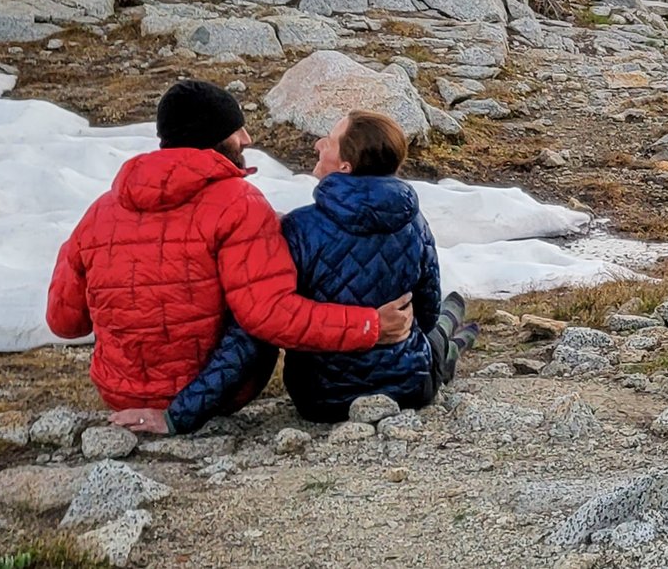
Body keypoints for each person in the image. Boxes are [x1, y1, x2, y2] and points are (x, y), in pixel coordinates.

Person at [46, 81, 413, 433]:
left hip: (119, 394)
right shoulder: (239, 203)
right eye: (237, 129)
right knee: (254, 314)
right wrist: (370, 326)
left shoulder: (100, 211)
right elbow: (269, 318)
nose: (247, 139)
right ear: (211, 136)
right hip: (217, 396)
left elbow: (65, 323)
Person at [166, 109, 476, 426]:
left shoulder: (299, 228)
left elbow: (269, 319)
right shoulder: (415, 223)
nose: (317, 144)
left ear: (345, 166)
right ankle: (449, 344)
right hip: (409, 387)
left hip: (320, 397)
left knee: (440, 331)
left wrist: (179, 414)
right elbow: (424, 313)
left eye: (327, 142)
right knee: (437, 327)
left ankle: (450, 340)